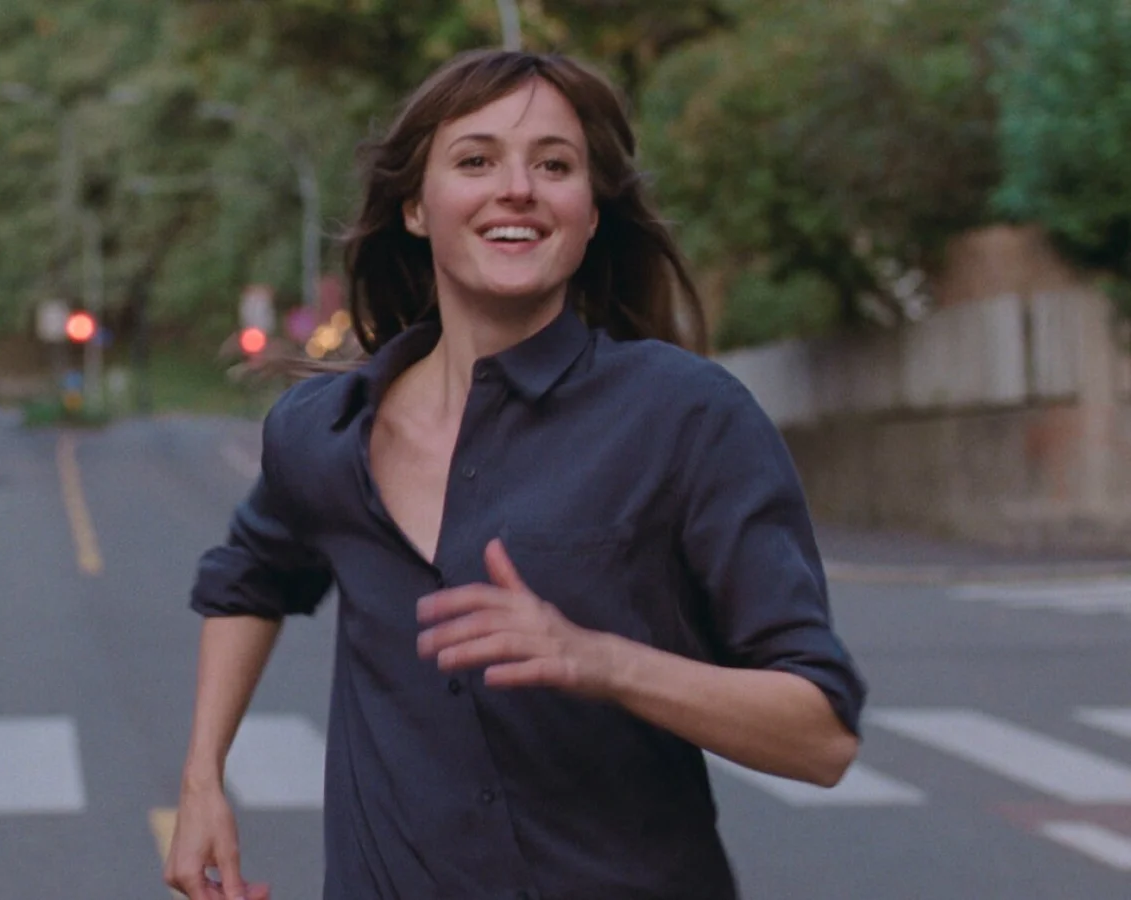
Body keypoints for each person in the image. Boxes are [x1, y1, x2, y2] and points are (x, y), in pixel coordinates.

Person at [165, 48, 866, 900]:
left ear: (591, 213)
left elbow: (820, 737)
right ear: (415, 207)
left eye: (554, 165)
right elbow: (247, 580)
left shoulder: (686, 417)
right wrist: (203, 779)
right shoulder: (323, 430)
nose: (518, 189)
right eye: (475, 160)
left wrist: (598, 659)